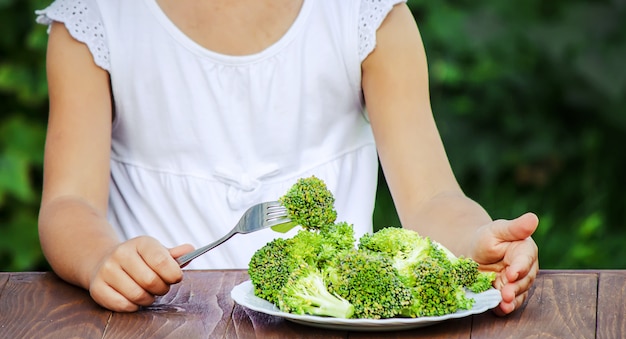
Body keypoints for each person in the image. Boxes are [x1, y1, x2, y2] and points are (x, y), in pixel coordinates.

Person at [35, 0, 539, 315]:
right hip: (156, 335)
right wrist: (101, 258)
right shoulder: (96, 20)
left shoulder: (366, 15)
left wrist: (474, 242)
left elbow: (432, 197)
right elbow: (68, 204)